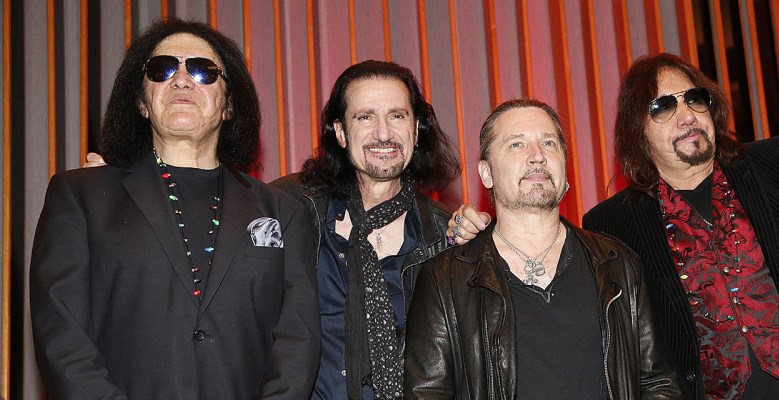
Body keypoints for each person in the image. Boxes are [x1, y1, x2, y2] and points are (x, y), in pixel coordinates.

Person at [446, 3, 779, 399]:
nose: (686, 113)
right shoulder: (613, 226)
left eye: (695, 98)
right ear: (637, 133)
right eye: (663, 106)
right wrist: (486, 238)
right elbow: (546, 284)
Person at [30, 19, 320, 399]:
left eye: (203, 71)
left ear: (229, 105)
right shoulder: (80, 196)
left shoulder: (283, 212)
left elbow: (297, 345)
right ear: (141, 103)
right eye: (162, 69)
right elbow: (62, 334)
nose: (182, 80)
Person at [403, 99, 682, 399]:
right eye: (517, 144)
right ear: (487, 173)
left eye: (549, 143)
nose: (537, 156)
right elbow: (427, 393)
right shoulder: (444, 278)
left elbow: (658, 383)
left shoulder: (619, 264)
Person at [271, 60, 461, 400]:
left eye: (397, 116)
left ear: (416, 129)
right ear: (341, 133)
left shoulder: (445, 238)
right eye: (365, 117)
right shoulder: (289, 207)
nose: (383, 134)